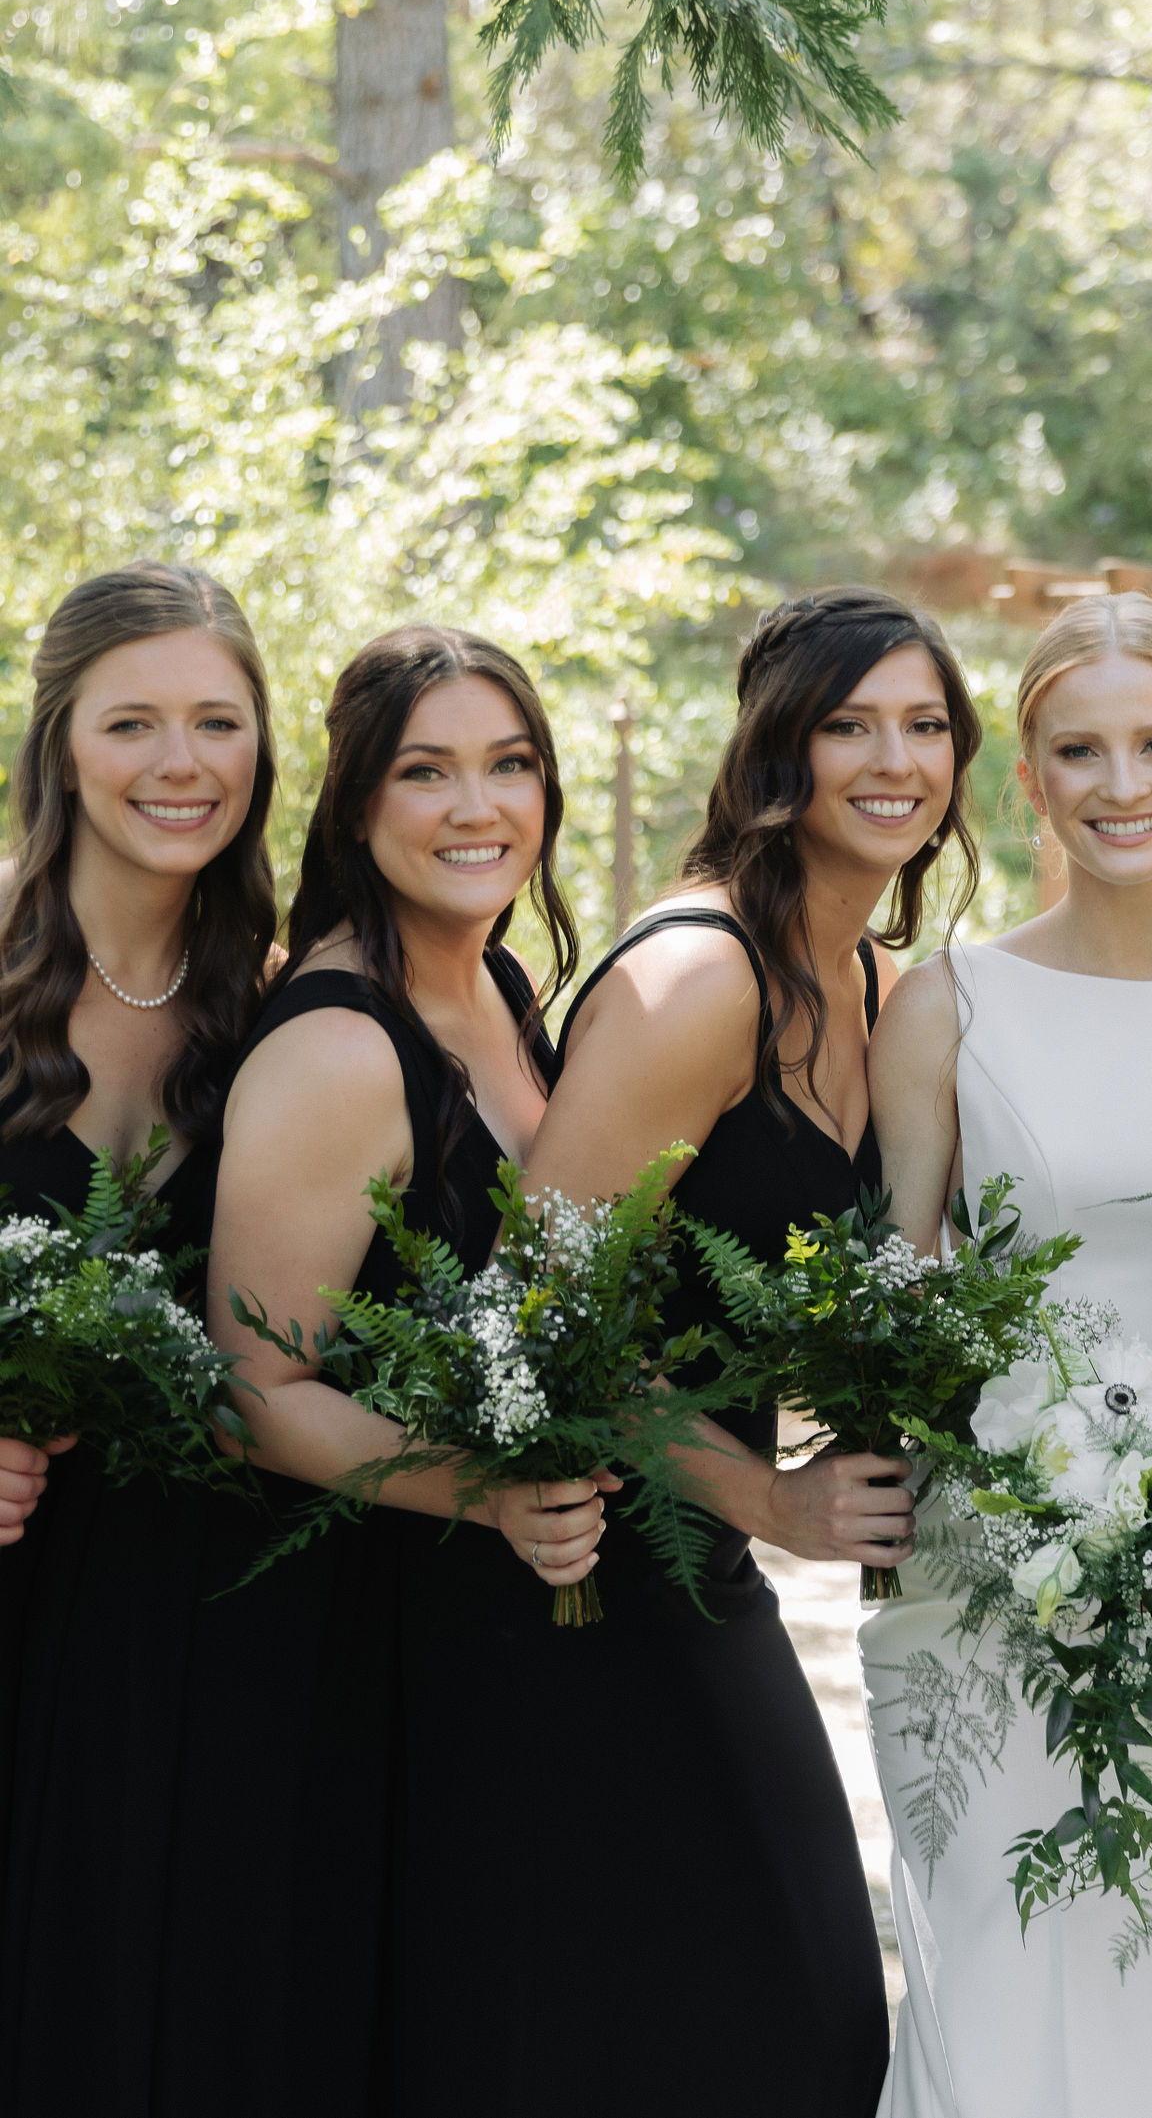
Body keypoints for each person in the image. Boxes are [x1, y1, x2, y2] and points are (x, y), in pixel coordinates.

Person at [864, 591, 1152, 2117]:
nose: (1120, 785)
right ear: (1029, 777)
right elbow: (899, 1299)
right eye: (1079, 750)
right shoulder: (947, 1002)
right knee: (997, 1949)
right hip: (982, 1567)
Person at [512, 584, 978, 2113]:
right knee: (775, 2010)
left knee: (774, 2019)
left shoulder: (877, 984)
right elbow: (536, 1309)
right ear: (778, 750)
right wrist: (770, 1497)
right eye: (851, 725)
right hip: (571, 1569)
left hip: (696, 1559)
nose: (895, 759)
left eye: (926, 724)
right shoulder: (695, 979)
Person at [206, 625, 586, 2112]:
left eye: (510, 763)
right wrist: (490, 1493)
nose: (476, 805)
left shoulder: (500, 986)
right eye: (426, 771)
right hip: (374, 1641)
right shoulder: (341, 1045)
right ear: (357, 803)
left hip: (502, 1631)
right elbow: (252, 1390)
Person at [0, 564, 278, 2113]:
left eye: (218, 722)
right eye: (133, 723)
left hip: (178, 1621)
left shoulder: (272, 1002)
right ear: (59, 741)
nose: (183, 763)